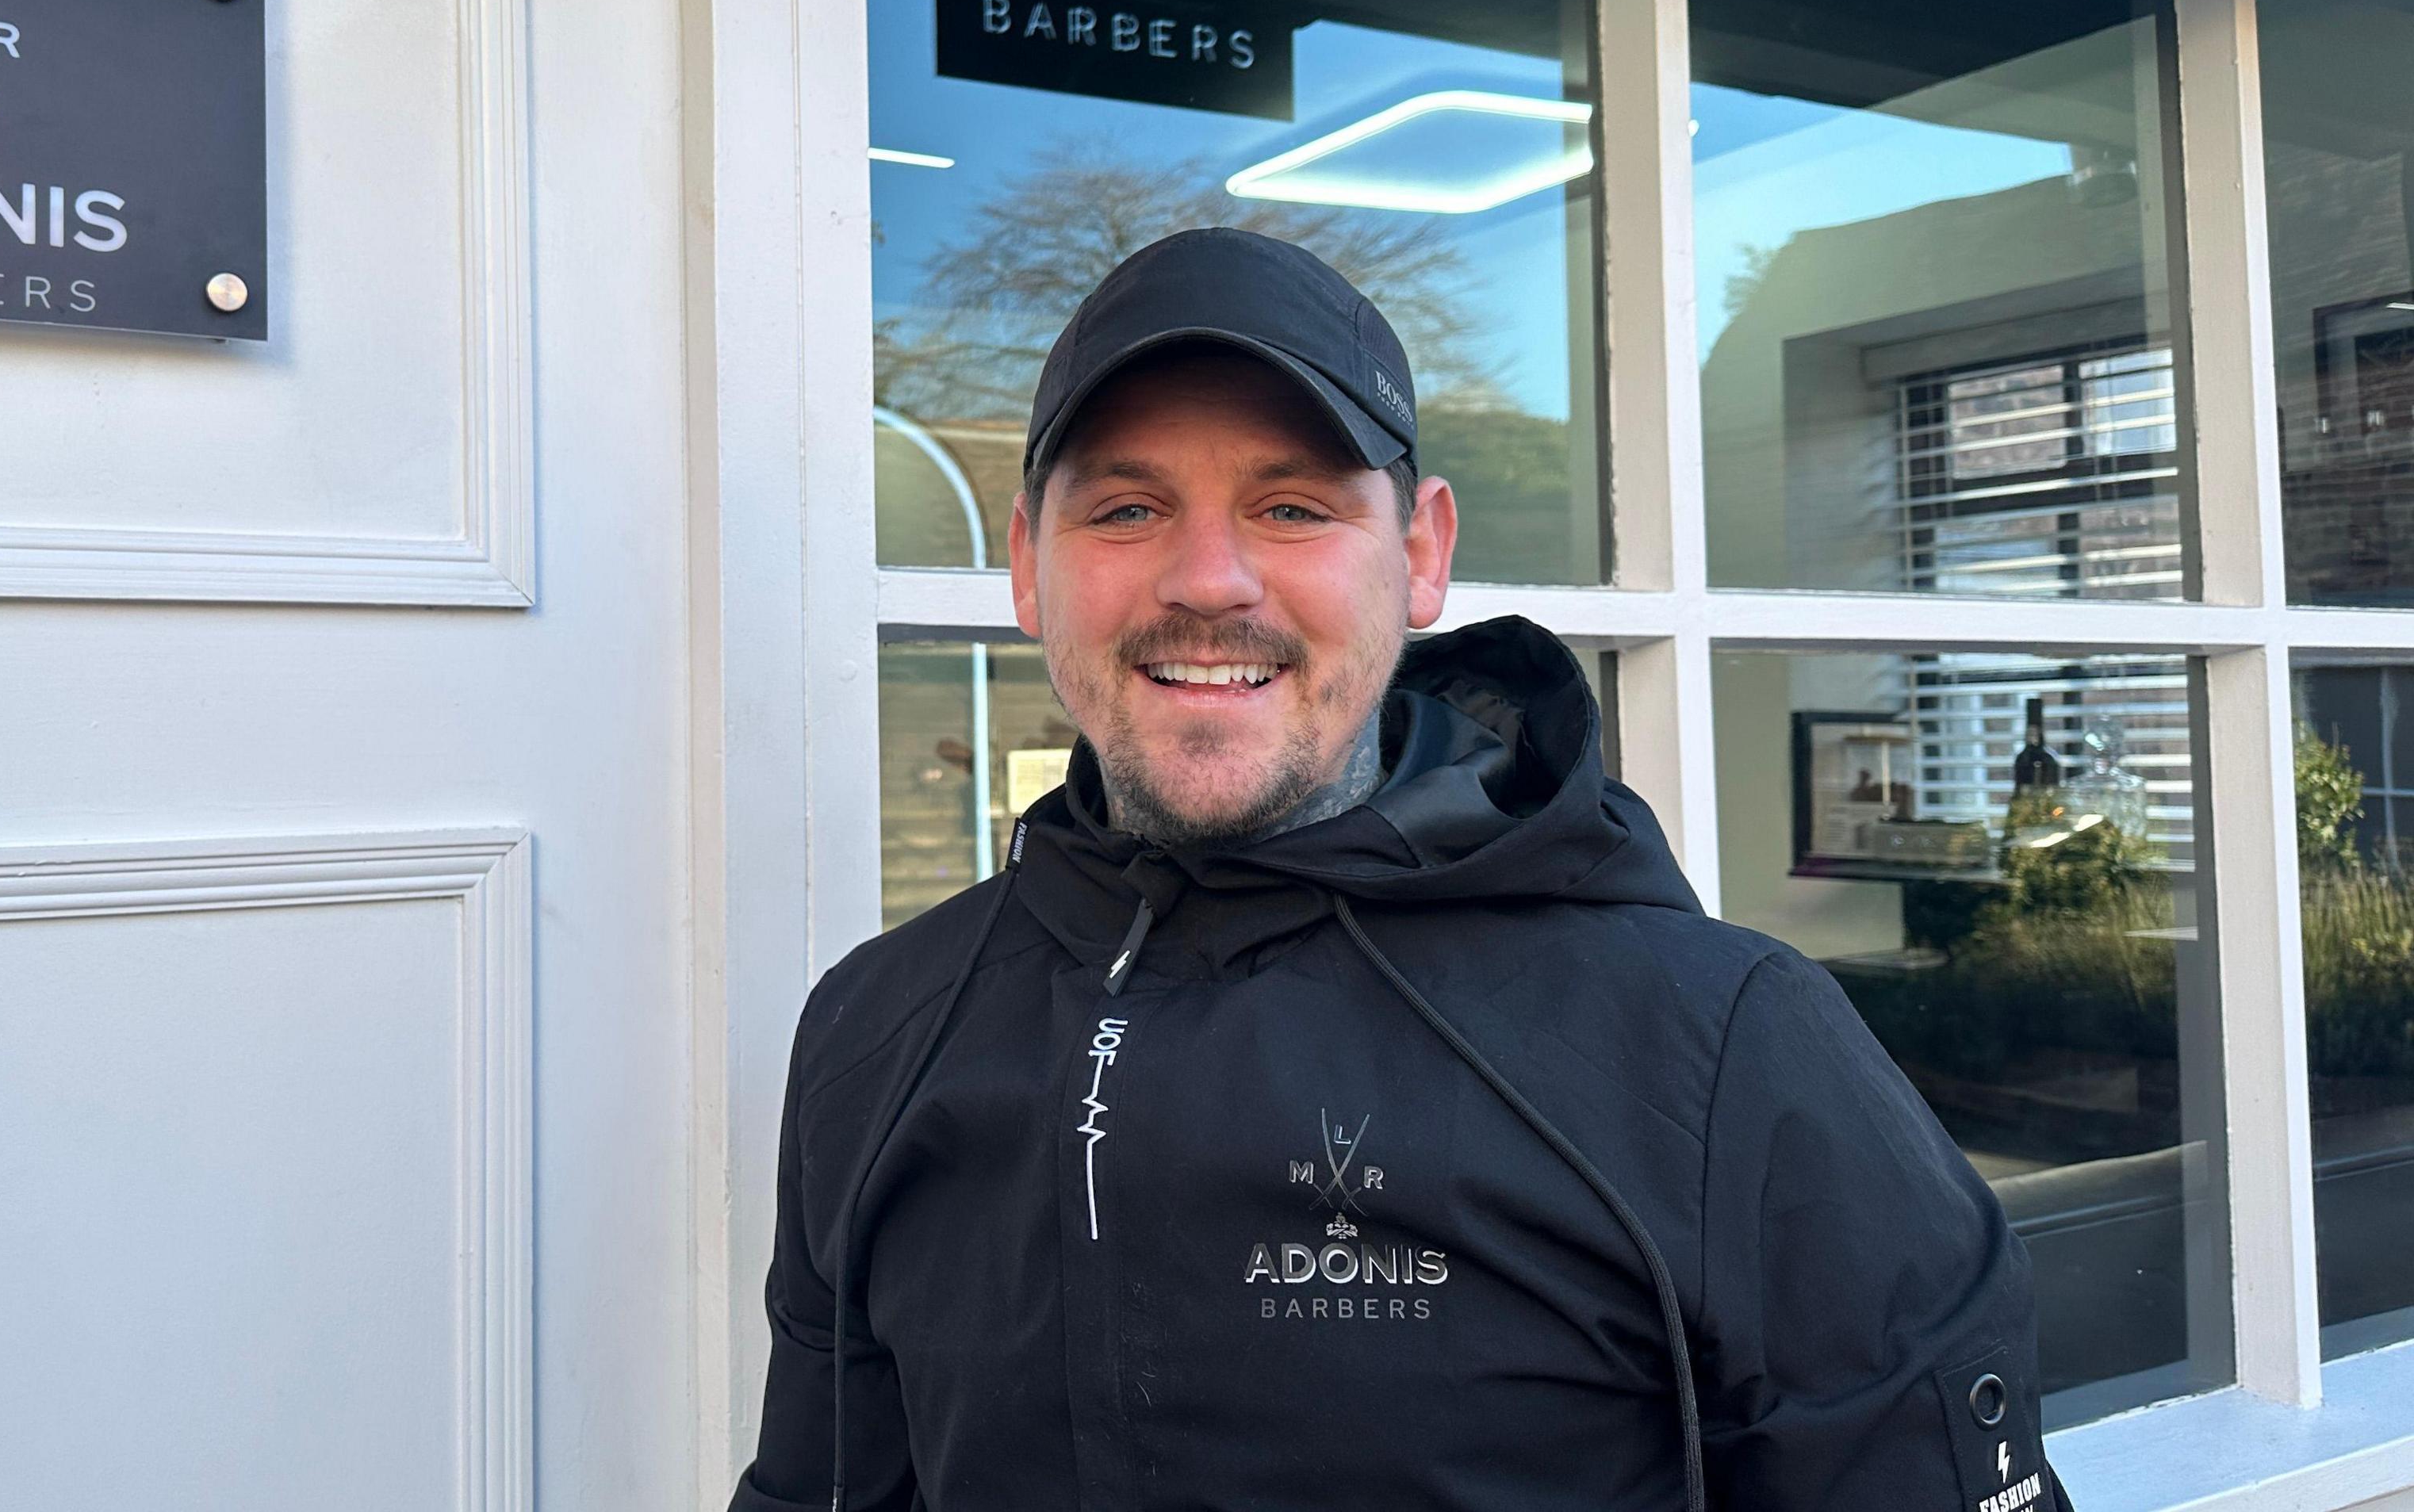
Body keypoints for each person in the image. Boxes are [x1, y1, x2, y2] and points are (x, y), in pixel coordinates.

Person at [728, 228, 2062, 1512]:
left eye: (1293, 504)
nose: (1210, 579)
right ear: (1029, 565)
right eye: (1128, 507)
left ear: (1420, 554)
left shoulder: (1723, 1050)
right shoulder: (878, 1033)